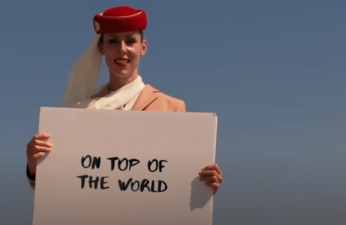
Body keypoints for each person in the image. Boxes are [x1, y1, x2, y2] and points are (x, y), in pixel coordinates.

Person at [25, 5, 223, 195]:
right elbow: (64, 185)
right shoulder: (80, 111)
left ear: (143, 47)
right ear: (101, 48)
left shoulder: (171, 107)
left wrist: (205, 186)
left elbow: (177, 179)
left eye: (130, 41)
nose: (122, 49)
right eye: (113, 41)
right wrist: (35, 167)